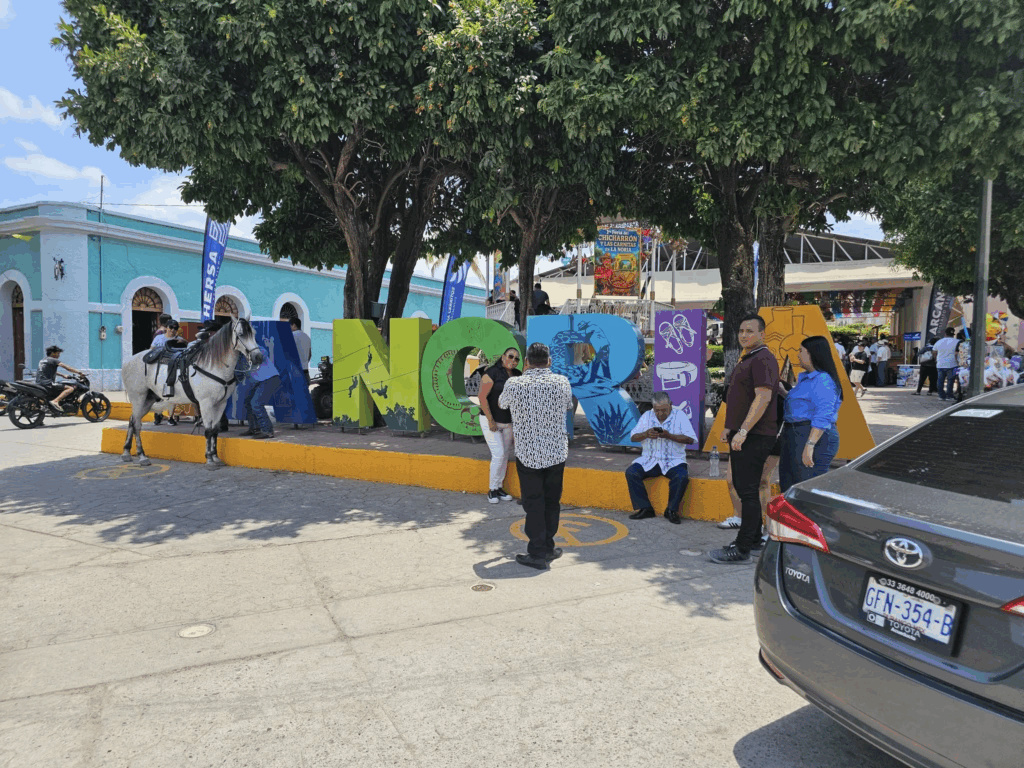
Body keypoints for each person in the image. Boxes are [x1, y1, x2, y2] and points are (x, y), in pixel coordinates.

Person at [709, 314, 780, 564]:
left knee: (747, 491)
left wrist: (744, 431)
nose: (743, 335)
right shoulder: (749, 358)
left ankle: (742, 548)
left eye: (750, 331)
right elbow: (741, 398)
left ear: (762, 334)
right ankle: (755, 539)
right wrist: (731, 427)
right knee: (745, 488)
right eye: (741, 331)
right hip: (746, 433)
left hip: (756, 435)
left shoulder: (762, 358)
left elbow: (763, 397)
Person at [498, 342, 573, 570]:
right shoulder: (562, 382)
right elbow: (568, 406)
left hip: (528, 453)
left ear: (527, 362)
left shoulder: (514, 384)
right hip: (556, 452)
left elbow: (502, 403)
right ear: (549, 361)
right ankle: (548, 547)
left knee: (534, 504)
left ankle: (538, 554)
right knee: (552, 502)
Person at [777, 336, 843, 492]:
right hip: (794, 433)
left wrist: (810, 444)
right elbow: (802, 406)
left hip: (811, 435)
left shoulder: (823, 380)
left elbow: (823, 413)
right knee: (789, 486)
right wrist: (783, 392)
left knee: (805, 488)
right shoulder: (806, 378)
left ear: (813, 354)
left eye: (801, 351)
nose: (798, 354)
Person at [626, 392, 697, 525]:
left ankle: (671, 510)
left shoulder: (680, 416)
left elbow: (691, 439)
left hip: (674, 460)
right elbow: (633, 437)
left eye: (664, 410)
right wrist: (646, 434)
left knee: (681, 476)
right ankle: (646, 508)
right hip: (649, 460)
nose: (660, 414)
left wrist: (669, 436)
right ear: (653, 407)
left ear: (671, 405)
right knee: (631, 472)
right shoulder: (647, 416)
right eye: (657, 410)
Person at [477, 347, 522, 503]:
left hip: (508, 423)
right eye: (510, 356)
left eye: (516, 358)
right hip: (491, 421)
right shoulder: (492, 373)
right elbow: (482, 397)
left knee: (505, 455)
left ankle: (499, 487)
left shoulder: (517, 375)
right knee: (499, 454)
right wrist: (490, 420)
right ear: (503, 357)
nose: (513, 360)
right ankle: (492, 489)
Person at [241, 346, 281, 439]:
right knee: (248, 402)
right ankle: (255, 428)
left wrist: (249, 356)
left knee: (256, 403)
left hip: (270, 378)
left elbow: (262, 354)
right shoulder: (239, 356)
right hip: (259, 381)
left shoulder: (254, 347)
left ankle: (267, 431)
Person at [36, 345, 82, 412]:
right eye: (58, 353)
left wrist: (63, 375)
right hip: (48, 383)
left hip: (39, 383)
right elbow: (67, 367)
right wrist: (79, 372)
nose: (59, 355)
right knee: (70, 388)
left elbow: (48, 370)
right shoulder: (53, 360)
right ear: (52, 353)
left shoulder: (43, 360)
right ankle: (55, 401)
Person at [933, 327, 959, 401]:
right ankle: (949, 395)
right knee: (950, 381)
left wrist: (936, 359)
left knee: (940, 380)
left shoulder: (939, 342)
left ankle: (941, 395)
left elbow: (934, 352)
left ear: (945, 334)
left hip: (940, 364)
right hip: (952, 364)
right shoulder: (957, 341)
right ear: (953, 334)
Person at [290, 317, 312, 384]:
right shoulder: (307, 337)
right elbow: (309, 355)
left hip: (294, 372)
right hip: (305, 372)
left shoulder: (291, 336)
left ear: (294, 325)